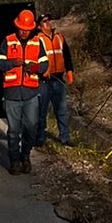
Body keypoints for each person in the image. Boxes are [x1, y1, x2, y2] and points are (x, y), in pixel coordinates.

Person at [0, 9, 48, 174]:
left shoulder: (37, 42)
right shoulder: (8, 41)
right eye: (21, 28)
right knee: (13, 131)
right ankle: (14, 161)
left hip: (31, 93)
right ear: (17, 26)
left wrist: (34, 67)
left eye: (27, 29)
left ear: (31, 28)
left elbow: (45, 64)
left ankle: (25, 155)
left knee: (31, 128)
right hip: (11, 94)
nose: (24, 32)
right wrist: (12, 62)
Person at [34, 12, 74, 147]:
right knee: (42, 111)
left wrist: (69, 70)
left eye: (48, 20)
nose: (48, 23)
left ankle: (64, 138)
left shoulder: (58, 36)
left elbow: (66, 54)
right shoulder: (37, 38)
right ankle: (40, 137)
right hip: (44, 81)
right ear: (39, 26)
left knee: (61, 110)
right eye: (44, 21)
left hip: (58, 79)